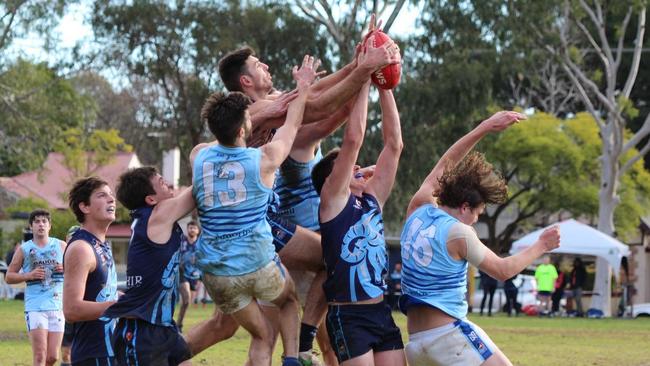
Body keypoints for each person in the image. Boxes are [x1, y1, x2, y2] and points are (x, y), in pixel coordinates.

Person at [217, 28, 399, 363]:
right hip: (261, 224)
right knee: (336, 257)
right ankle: (302, 342)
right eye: (258, 64)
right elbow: (315, 107)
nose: (266, 66)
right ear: (245, 81)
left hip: (253, 229)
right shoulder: (252, 112)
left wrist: (360, 65)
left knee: (249, 331)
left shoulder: (260, 109)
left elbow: (311, 95)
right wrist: (363, 71)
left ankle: (171, 352)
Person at [399, 111, 561, 366]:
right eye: (477, 214)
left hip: (415, 343)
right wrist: (542, 245)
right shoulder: (459, 233)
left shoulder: (417, 208)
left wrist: (484, 127)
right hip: (448, 338)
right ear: (465, 207)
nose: (476, 220)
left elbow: (445, 163)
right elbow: (503, 270)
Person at [191, 54, 319, 366]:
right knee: (291, 298)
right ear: (245, 126)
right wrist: (303, 87)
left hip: (218, 270)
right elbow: (293, 123)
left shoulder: (200, 159)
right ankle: (296, 356)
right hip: (258, 256)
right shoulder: (262, 158)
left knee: (259, 335)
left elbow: (208, 149)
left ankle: (158, 357)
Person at [311, 76, 405, 365]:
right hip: (348, 316)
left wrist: (385, 83)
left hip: (381, 312)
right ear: (332, 179)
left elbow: (394, 145)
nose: (360, 168)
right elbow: (353, 138)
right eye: (352, 167)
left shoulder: (371, 200)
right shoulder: (332, 202)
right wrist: (363, 77)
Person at [63, 177, 119, 365]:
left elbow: (102, 294)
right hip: (93, 356)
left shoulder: (102, 246)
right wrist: (121, 306)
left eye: (111, 195)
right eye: (102, 196)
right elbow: (71, 310)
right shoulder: (81, 248)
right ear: (85, 207)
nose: (111, 200)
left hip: (111, 351)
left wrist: (129, 298)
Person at [6, 209, 66, 366]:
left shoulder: (61, 246)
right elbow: (9, 277)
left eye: (44, 221)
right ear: (31, 226)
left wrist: (65, 268)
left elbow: (78, 270)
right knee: (40, 355)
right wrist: (28, 275)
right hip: (35, 306)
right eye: (37, 222)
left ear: (49, 226)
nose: (41, 225)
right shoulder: (24, 249)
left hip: (58, 305)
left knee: (53, 357)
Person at [177, 220, 202, 332]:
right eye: (190, 228)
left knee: (188, 302)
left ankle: (179, 323)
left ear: (198, 231)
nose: (192, 230)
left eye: (194, 228)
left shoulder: (201, 243)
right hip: (182, 272)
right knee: (186, 298)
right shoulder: (182, 241)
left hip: (196, 274)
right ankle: (178, 326)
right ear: (187, 230)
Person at [60, 225, 80, 366]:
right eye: (72, 236)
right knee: (65, 353)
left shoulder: (87, 254)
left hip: (82, 308)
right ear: (67, 238)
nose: (74, 239)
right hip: (64, 309)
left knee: (79, 351)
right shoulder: (59, 255)